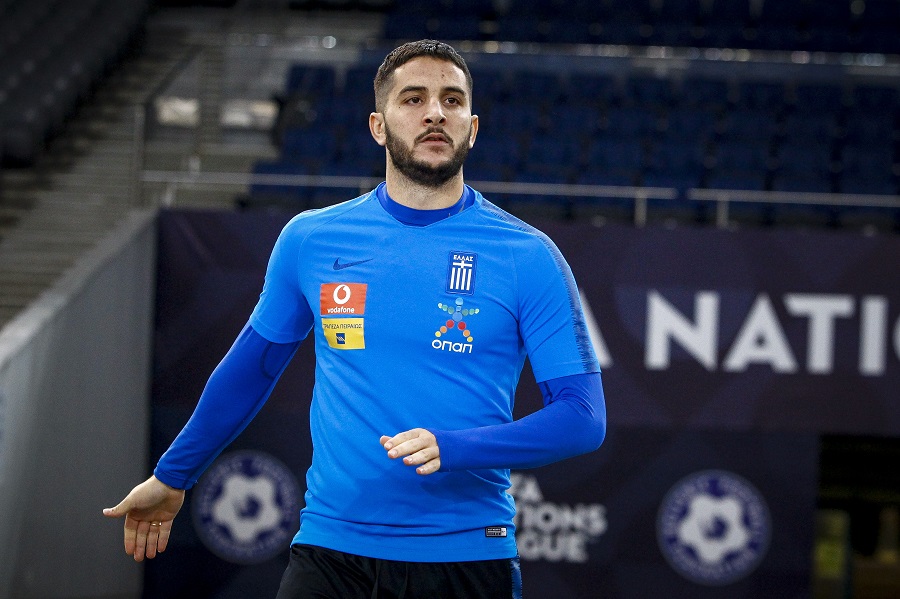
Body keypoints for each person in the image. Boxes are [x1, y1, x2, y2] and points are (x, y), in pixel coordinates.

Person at [104, 39, 607, 599]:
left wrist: (456, 447)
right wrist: (174, 474)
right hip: (330, 556)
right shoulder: (311, 239)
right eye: (413, 99)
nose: (435, 113)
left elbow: (582, 417)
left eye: (452, 100)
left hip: (466, 557)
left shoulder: (528, 255)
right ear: (377, 125)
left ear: (472, 127)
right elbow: (252, 369)